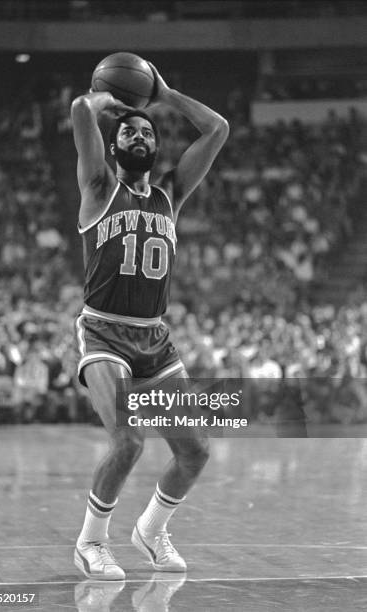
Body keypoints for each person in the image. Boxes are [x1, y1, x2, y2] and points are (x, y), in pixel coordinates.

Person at [71, 61, 229, 580]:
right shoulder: (98, 188)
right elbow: (79, 110)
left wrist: (165, 94)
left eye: (146, 131)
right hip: (104, 331)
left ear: (156, 148)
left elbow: (217, 128)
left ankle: (151, 529)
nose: (139, 135)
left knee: (195, 451)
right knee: (129, 440)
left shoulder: (170, 195)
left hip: (154, 339)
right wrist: (106, 101)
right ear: (113, 146)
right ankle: (91, 543)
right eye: (128, 131)